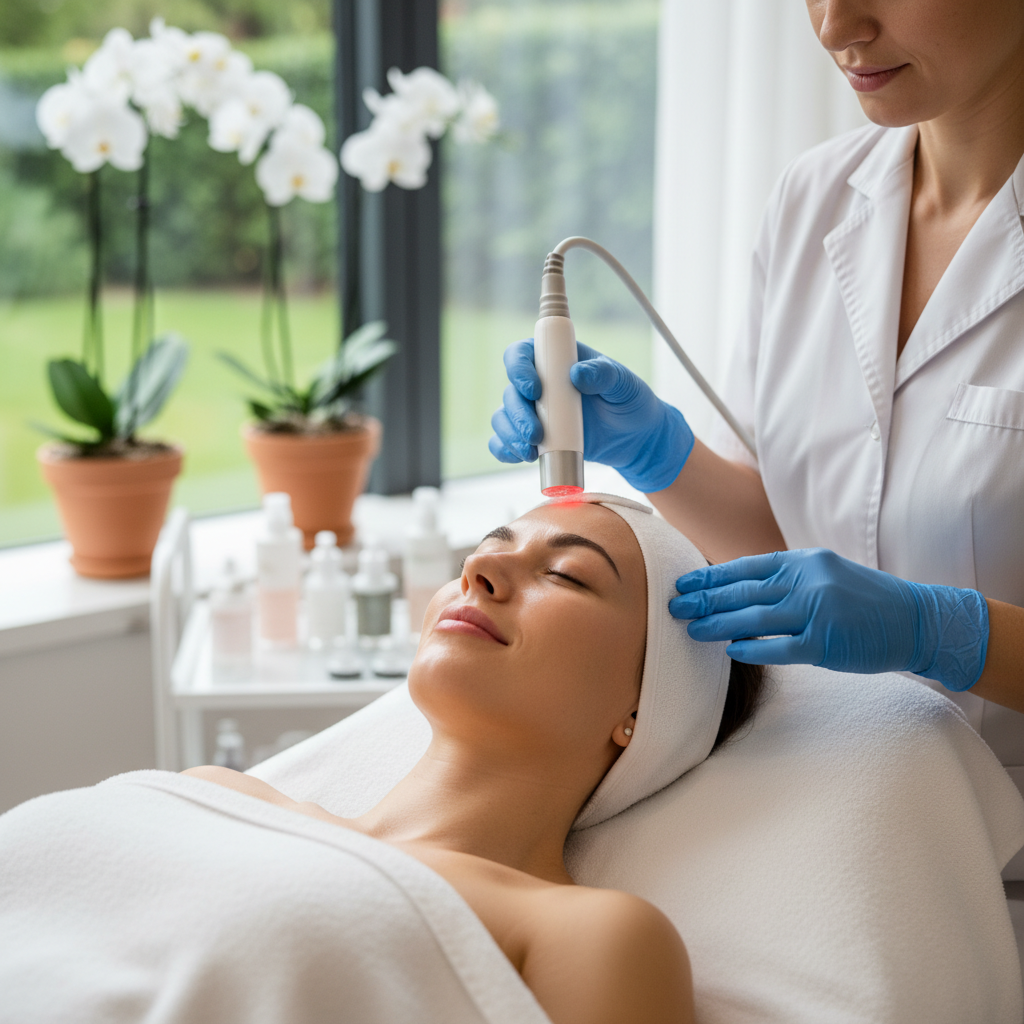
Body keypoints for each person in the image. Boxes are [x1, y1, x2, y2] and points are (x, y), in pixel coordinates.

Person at [490, 0, 1024, 713]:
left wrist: (952, 635)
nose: (836, 29)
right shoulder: (815, 198)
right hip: (837, 777)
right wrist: (660, 454)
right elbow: (787, 546)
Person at [188, 496, 764, 1024]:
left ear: (646, 707)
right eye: (485, 550)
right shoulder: (218, 796)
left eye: (564, 576)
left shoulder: (587, 936)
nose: (477, 573)